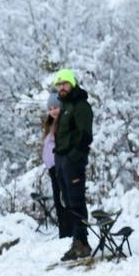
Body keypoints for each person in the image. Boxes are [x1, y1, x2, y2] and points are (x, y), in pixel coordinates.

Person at [53, 69, 94, 261]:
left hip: (73, 161)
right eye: (59, 84)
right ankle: (77, 241)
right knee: (68, 202)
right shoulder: (65, 105)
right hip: (62, 160)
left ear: (72, 84)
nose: (62, 87)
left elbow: (85, 135)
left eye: (65, 83)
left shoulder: (80, 105)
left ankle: (82, 242)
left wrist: (73, 156)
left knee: (76, 201)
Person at [41, 92, 72, 241]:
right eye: (50, 108)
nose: (53, 111)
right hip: (52, 170)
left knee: (63, 200)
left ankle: (68, 232)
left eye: (56, 107)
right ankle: (63, 231)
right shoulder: (50, 124)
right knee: (58, 200)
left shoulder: (63, 123)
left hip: (61, 168)